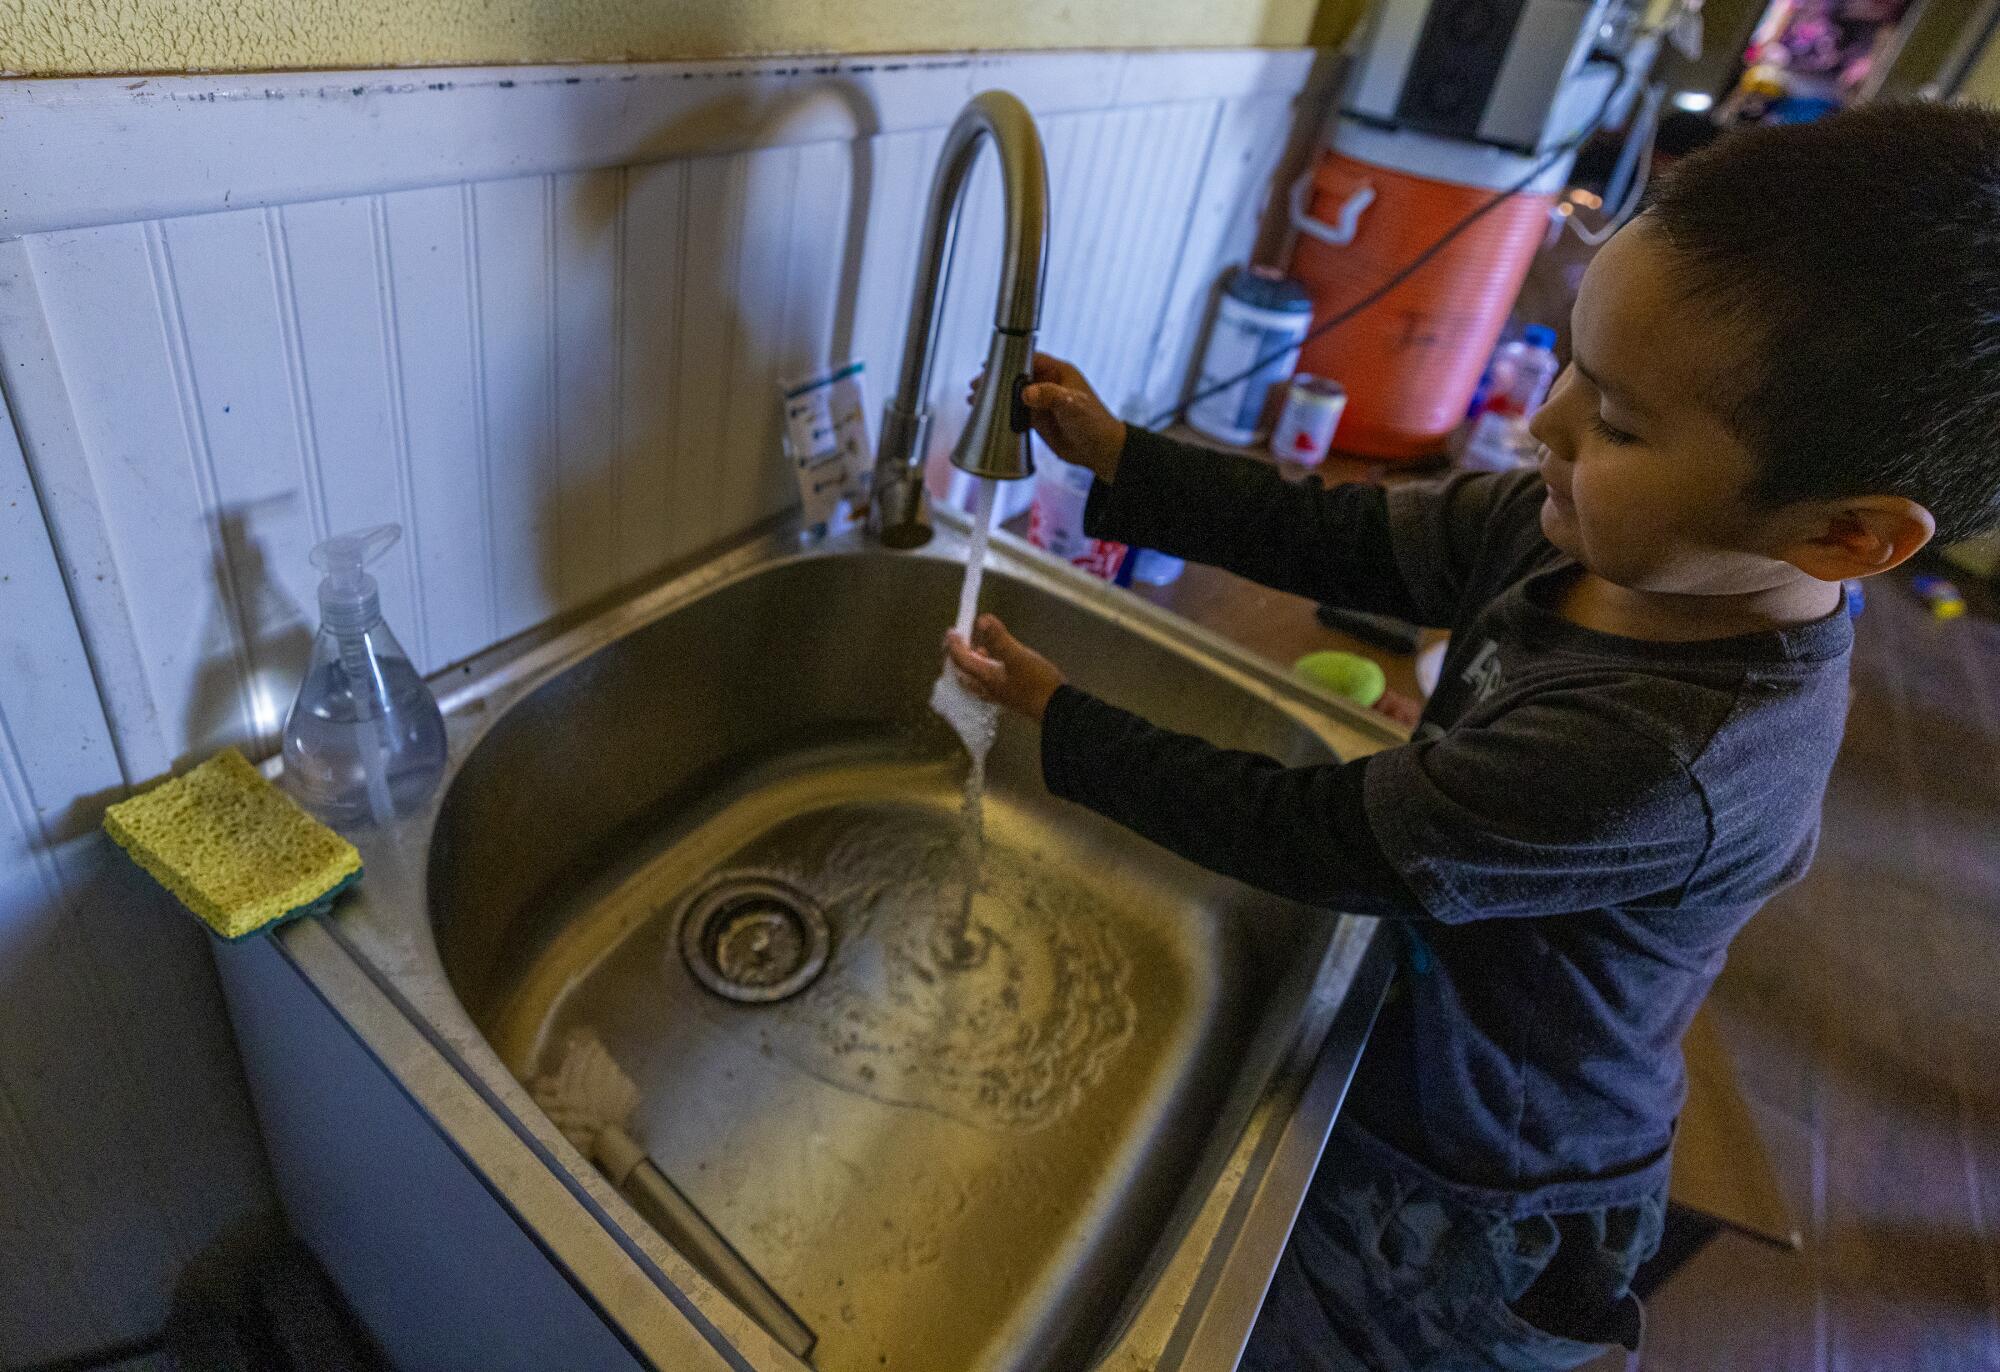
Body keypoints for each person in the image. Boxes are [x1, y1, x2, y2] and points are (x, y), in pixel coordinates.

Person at [944, 102, 2000, 1369]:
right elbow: (1345, 539)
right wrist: (1129, 460)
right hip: (1427, 1035)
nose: (1542, 427)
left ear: (1842, 537)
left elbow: (1323, 835)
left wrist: (1062, 721)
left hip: (1476, 1178)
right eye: (1569, 368)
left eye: (1614, 423)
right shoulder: (1582, 529)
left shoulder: (1662, 754)